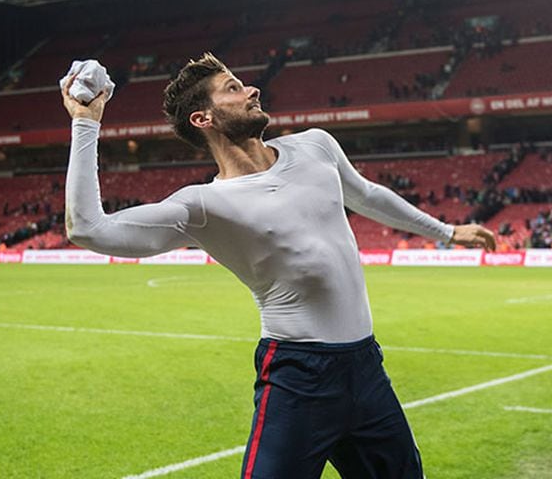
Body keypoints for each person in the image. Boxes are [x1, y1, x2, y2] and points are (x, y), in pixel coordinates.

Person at [61, 53, 496, 479]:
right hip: (299, 376)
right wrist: (86, 120)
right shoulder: (202, 206)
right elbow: (87, 228)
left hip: (366, 366)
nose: (252, 90)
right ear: (203, 118)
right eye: (233, 88)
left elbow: (366, 195)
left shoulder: (316, 146)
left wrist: (446, 231)